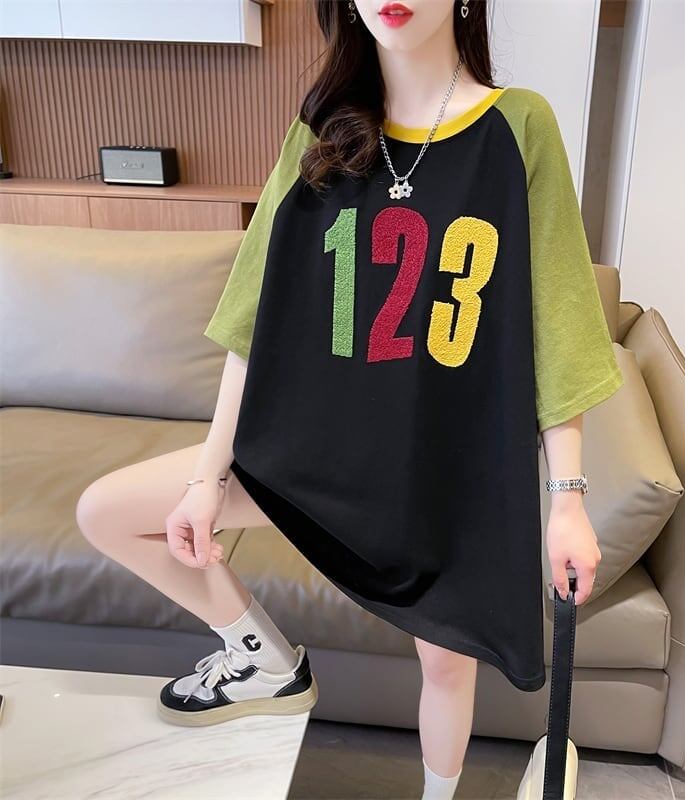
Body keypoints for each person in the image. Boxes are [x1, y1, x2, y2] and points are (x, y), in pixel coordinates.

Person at [76, 1, 624, 797]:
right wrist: (207, 477)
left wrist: (567, 497)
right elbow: (253, 320)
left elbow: (559, 324)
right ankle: (263, 659)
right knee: (106, 511)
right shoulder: (321, 134)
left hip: (439, 479)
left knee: (447, 666)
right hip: (308, 462)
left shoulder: (519, 127)